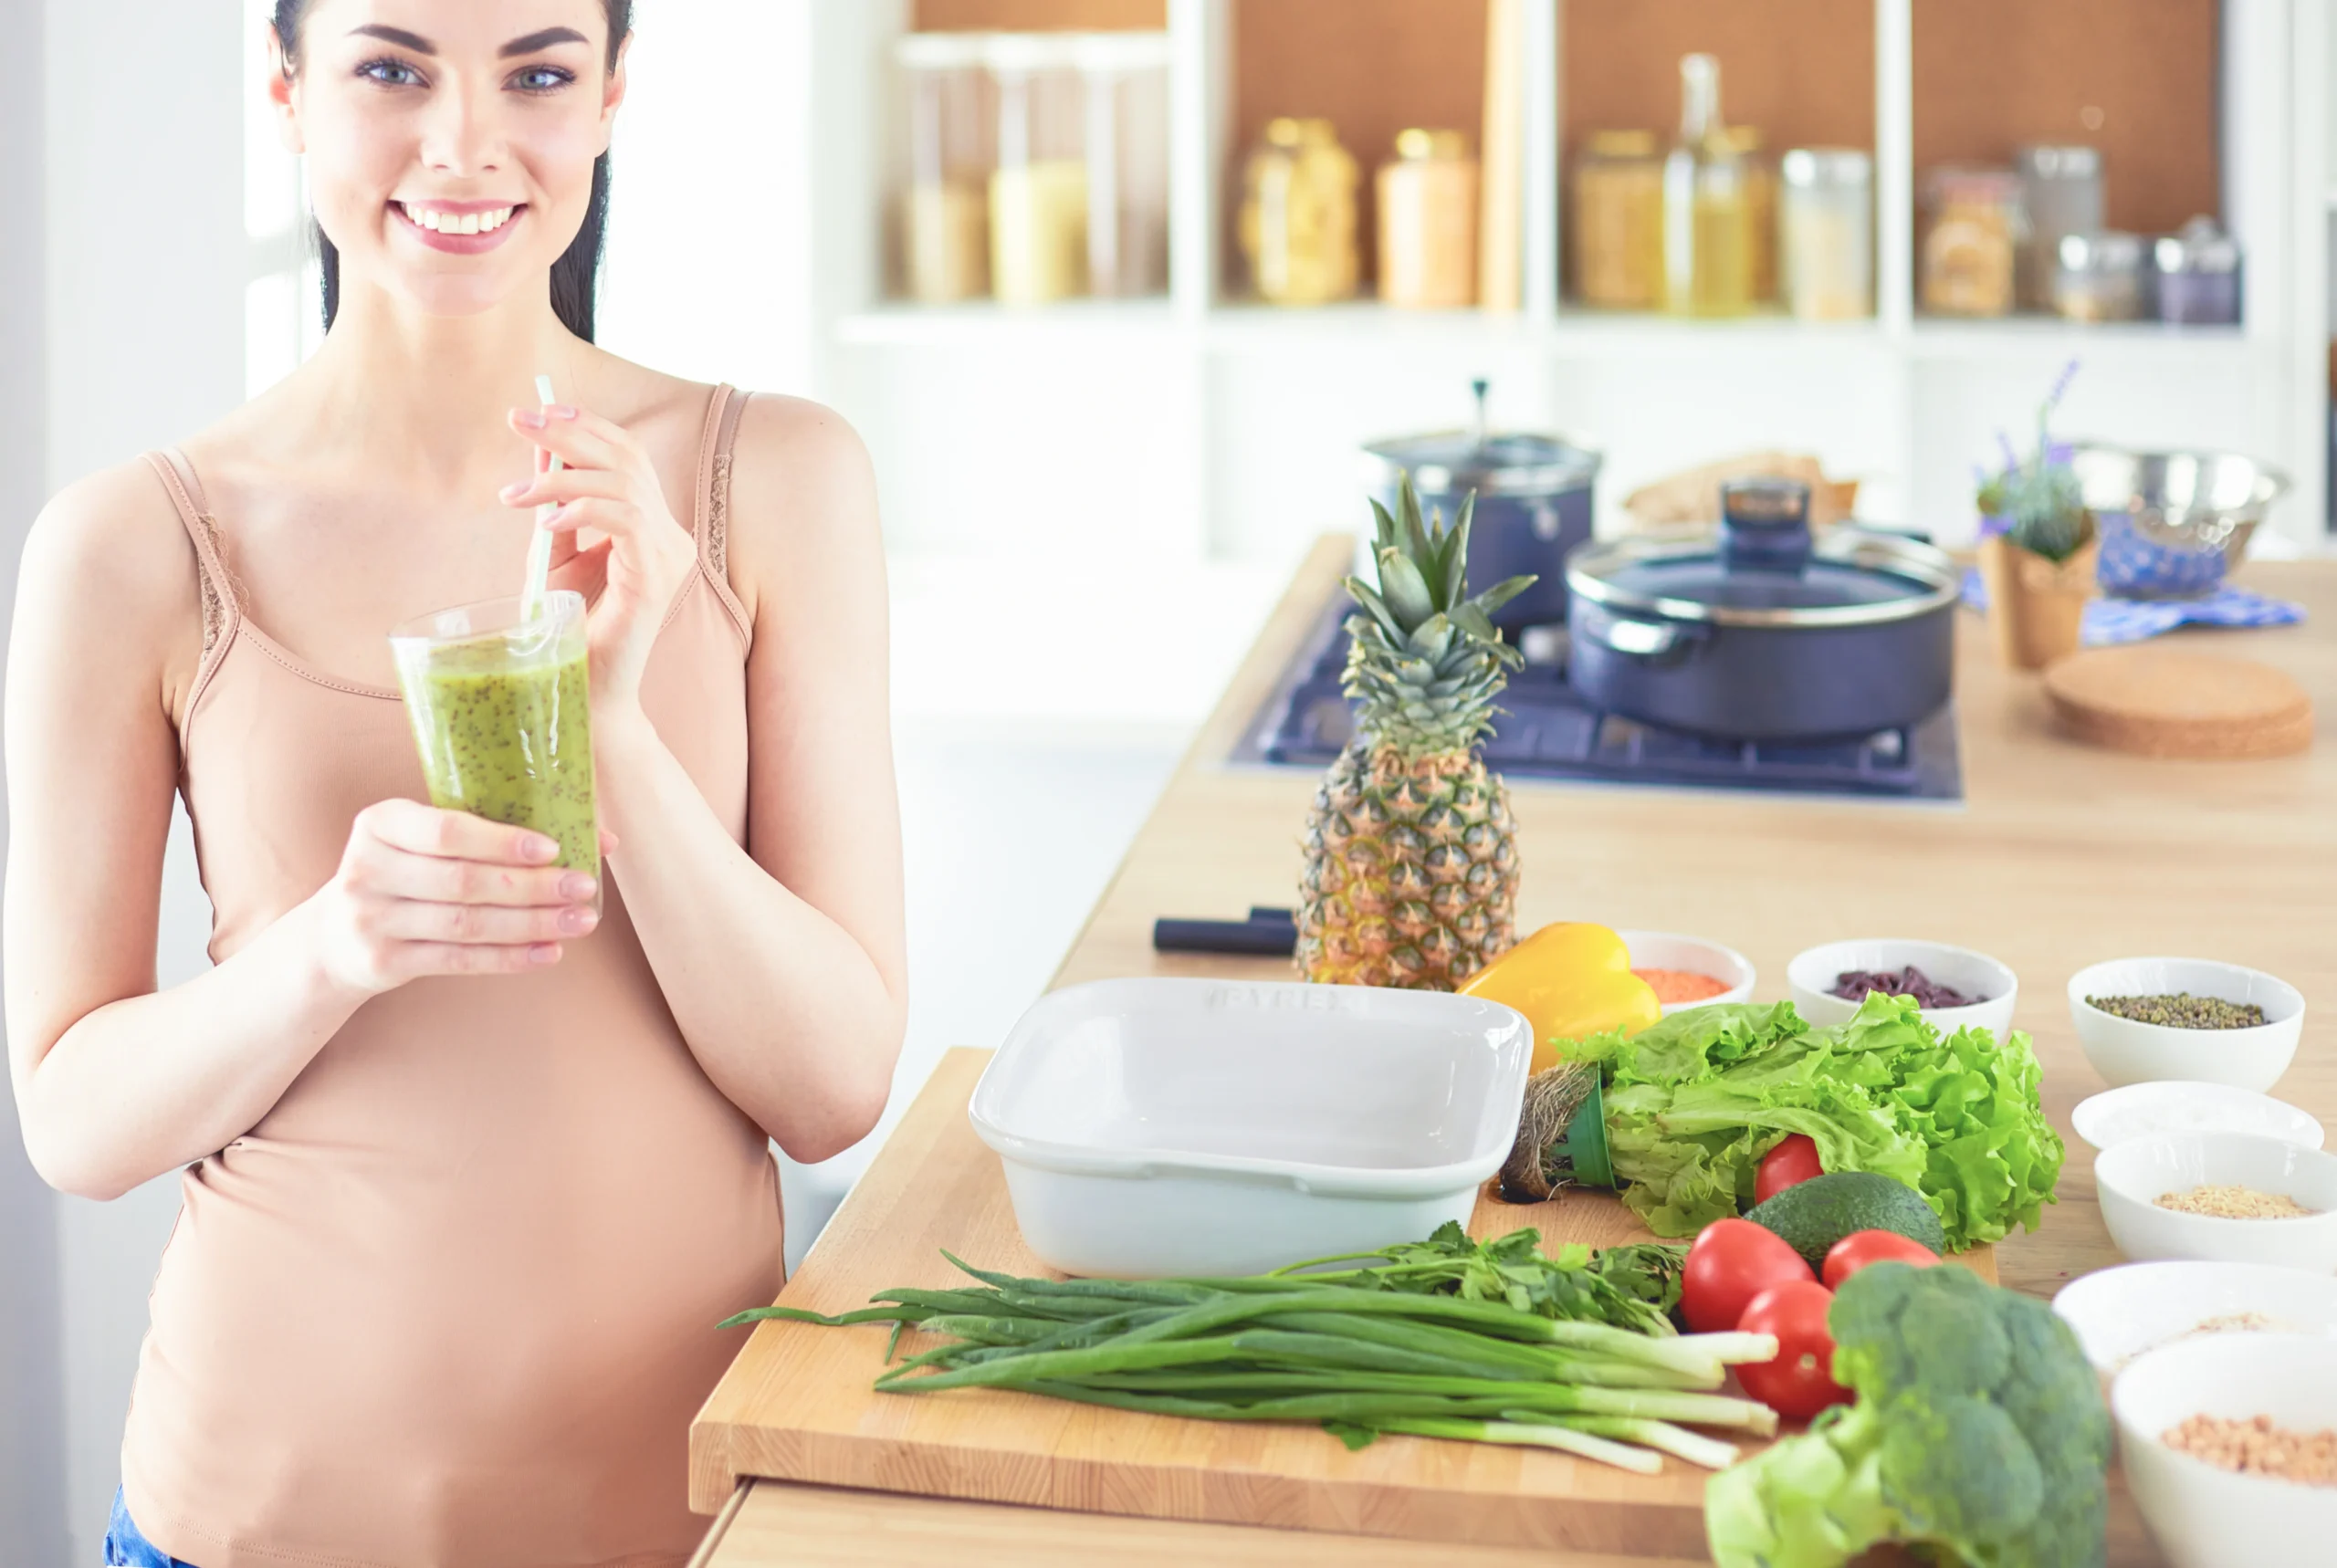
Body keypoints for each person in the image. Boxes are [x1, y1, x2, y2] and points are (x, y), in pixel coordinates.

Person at [5, 3, 907, 1563]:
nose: (466, 142)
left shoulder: (773, 482)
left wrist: (610, 722)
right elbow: (72, 1117)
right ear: (288, 93)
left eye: (538, 74)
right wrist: (329, 948)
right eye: (392, 68)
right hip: (235, 1528)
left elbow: (831, 1089)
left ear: (614, 98)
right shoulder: (131, 545)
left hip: (682, 1534)